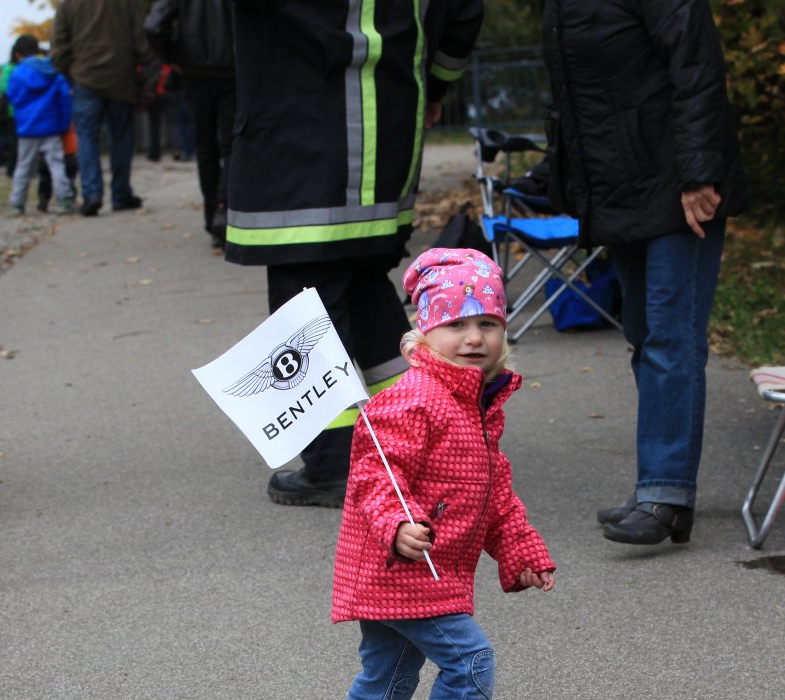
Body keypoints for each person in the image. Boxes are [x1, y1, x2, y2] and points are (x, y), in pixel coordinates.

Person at [326, 248, 556, 700]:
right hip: (401, 566)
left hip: (423, 569)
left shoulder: (476, 404)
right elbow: (376, 476)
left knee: (387, 675)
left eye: (489, 323)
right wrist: (397, 525)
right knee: (470, 660)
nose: (474, 338)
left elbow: (494, 493)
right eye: (455, 324)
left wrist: (520, 551)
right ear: (424, 334)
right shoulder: (413, 398)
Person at [226, 0, 484, 507]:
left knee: (305, 304)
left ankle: (334, 466)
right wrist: (433, 85)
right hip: (387, 135)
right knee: (364, 283)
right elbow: (464, 14)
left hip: (298, 136)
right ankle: (425, 438)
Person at [543, 0, 749, 546]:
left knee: (670, 336)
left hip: (679, 185)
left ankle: (666, 492)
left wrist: (699, 172)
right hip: (624, 187)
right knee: (642, 333)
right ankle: (658, 488)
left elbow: (696, 66)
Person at [144, 0, 232, 250]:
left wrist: (175, 56)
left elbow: (154, 26)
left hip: (196, 71)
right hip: (233, 68)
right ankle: (225, 209)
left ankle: (213, 217)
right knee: (233, 144)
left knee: (206, 148)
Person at [51, 0, 147, 217]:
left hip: (85, 77)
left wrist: (68, 72)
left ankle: (92, 193)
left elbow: (59, 44)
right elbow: (142, 40)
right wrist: (144, 76)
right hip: (122, 78)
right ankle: (121, 194)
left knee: (86, 138)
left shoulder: (69, 4)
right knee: (121, 139)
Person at [5, 35, 75, 216]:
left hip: (27, 127)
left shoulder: (17, 73)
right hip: (51, 125)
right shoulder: (52, 70)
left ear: (18, 54)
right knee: (57, 164)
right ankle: (64, 199)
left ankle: (17, 203)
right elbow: (64, 99)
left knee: (23, 166)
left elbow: (12, 96)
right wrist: (64, 123)